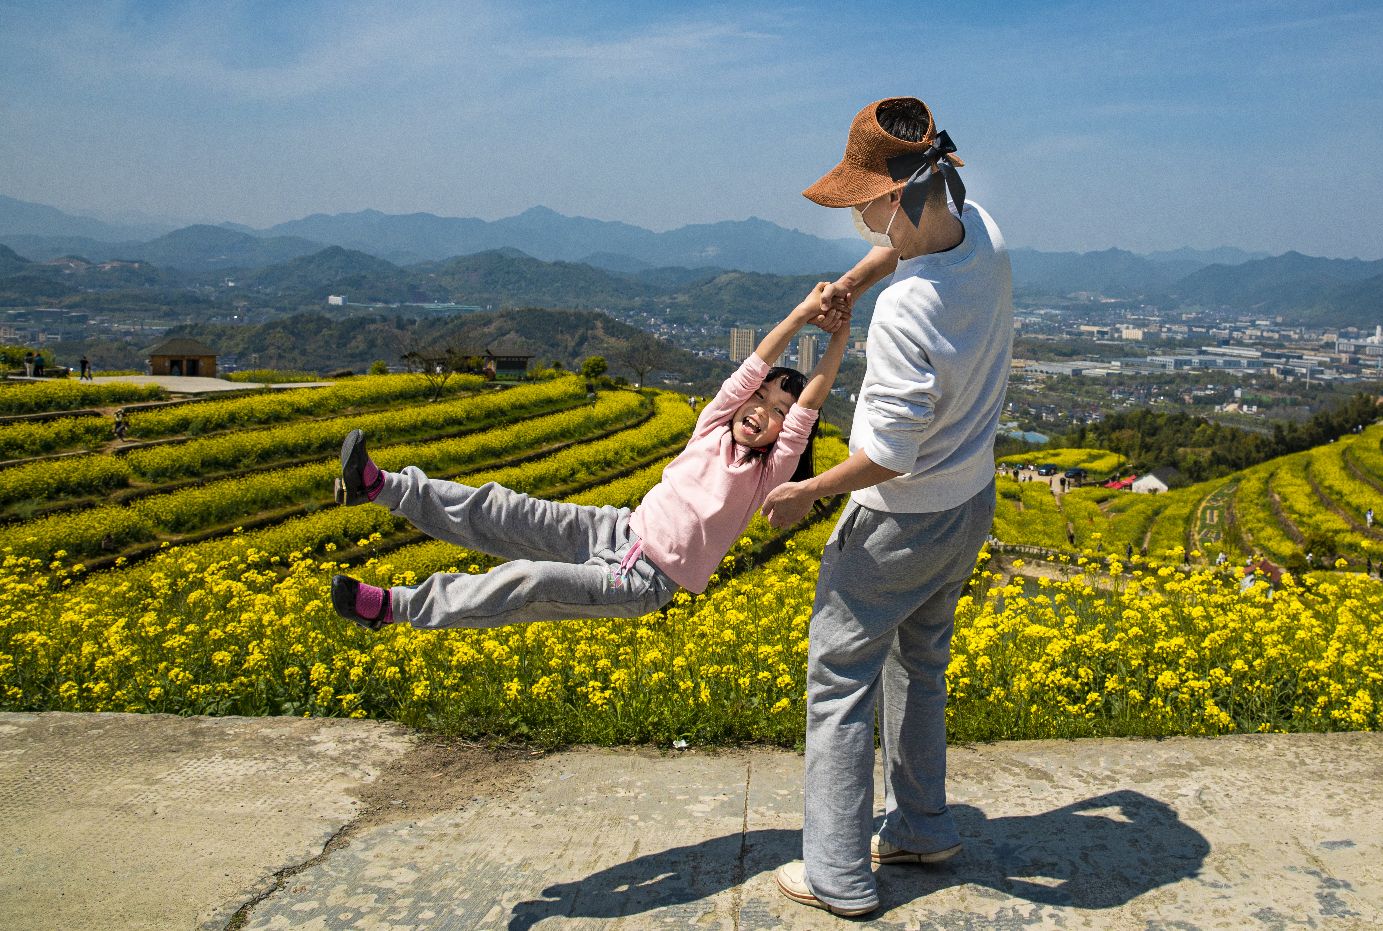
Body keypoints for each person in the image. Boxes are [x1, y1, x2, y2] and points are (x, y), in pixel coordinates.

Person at [760, 96, 1012, 916]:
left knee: (838, 676)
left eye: (863, 205)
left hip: (897, 520)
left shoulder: (909, 310)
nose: (859, 220)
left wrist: (804, 489)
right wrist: (853, 282)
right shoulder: (981, 232)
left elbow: (887, 457)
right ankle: (921, 826)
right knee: (920, 661)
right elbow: (907, 251)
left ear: (897, 194)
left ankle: (835, 872)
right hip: (967, 501)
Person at [329, 284, 849, 631]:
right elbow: (754, 364)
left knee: (530, 582)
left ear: (786, 433)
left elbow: (809, 406)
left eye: (778, 412)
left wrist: (840, 333)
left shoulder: (765, 476)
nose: (760, 410)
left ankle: (392, 607)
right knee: (501, 508)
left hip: (641, 581)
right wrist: (802, 314)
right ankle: (379, 486)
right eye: (759, 397)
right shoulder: (712, 424)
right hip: (614, 529)